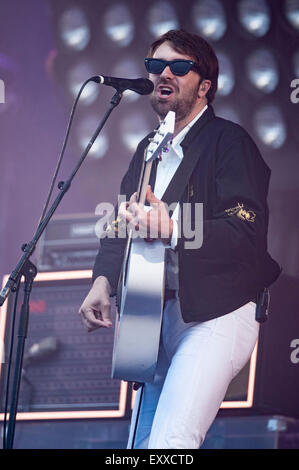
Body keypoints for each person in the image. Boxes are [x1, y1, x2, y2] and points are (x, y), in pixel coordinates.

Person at [78, 29, 281, 449]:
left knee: (172, 443)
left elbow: (244, 231)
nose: (163, 72)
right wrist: (103, 282)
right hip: (153, 317)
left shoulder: (229, 142)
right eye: (155, 66)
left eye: (179, 66)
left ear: (204, 85)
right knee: (141, 447)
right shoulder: (146, 151)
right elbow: (121, 226)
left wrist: (171, 226)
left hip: (215, 315)